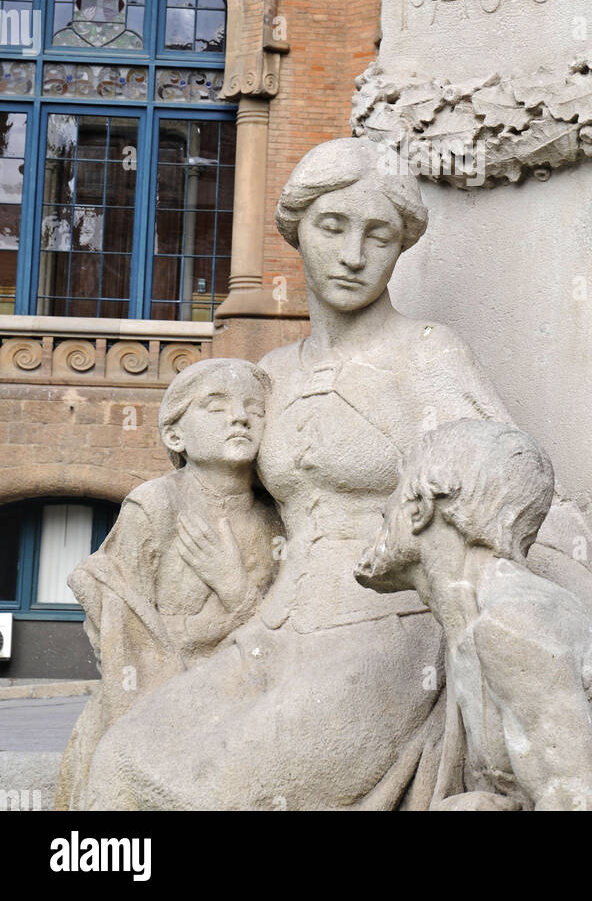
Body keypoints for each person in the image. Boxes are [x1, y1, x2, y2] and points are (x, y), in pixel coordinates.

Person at [81, 139, 517, 810]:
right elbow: (210, 484)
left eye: (378, 235)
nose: (352, 256)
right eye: (332, 227)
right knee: (120, 764)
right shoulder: (272, 376)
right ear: (296, 232)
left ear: (401, 247)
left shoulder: (427, 353)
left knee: (225, 791)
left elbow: (499, 487)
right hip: (270, 627)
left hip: (388, 632)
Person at [356, 419, 592, 812]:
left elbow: (576, 803)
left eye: (396, 491)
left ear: (421, 507)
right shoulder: (473, 622)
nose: (384, 507)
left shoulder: (511, 622)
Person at [55, 357, 280, 810]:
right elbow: (122, 621)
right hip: (158, 703)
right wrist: (209, 626)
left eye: (254, 408)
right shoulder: (156, 504)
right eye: (215, 407)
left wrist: (237, 593)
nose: (239, 417)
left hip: (243, 705)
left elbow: (281, 634)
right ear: (176, 435)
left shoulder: (275, 518)